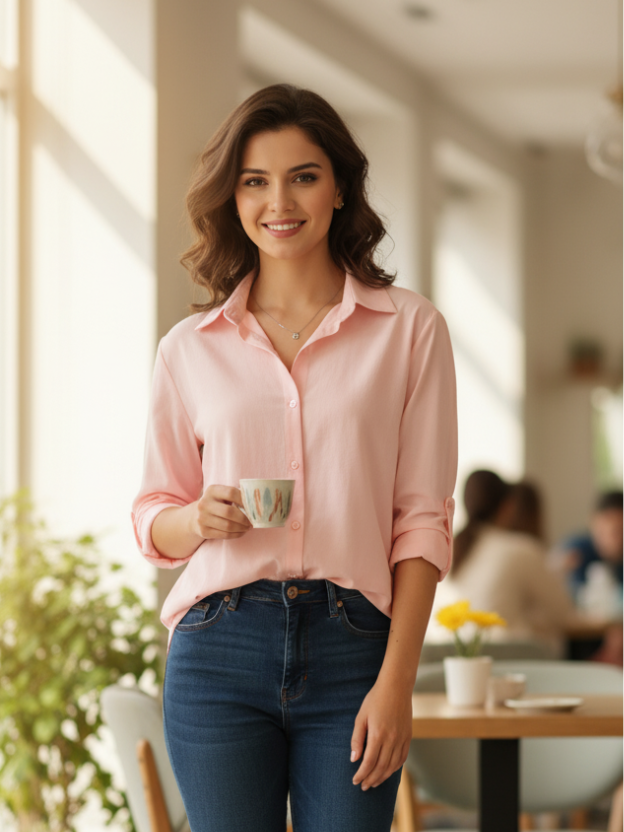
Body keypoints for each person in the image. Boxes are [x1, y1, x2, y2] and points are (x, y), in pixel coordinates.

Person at [131, 84, 457, 832]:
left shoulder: (410, 330)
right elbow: (152, 514)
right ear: (234, 197)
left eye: (303, 176)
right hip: (218, 647)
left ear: (339, 187)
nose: (279, 202)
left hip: (356, 648)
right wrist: (197, 519)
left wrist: (397, 681)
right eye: (255, 181)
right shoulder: (189, 349)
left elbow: (422, 521)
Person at [429, 470, 576, 654]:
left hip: (449, 657)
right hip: (509, 659)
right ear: (508, 506)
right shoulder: (521, 549)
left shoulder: (447, 547)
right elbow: (563, 613)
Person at [555, 490, 623, 606]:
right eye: (603, 532)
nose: (614, 540)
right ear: (593, 523)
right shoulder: (576, 550)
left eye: (620, 531)